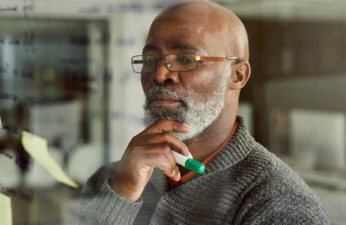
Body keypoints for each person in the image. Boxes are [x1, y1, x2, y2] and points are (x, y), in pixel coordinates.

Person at [78, 1, 329, 224]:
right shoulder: (110, 181)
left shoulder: (281, 205)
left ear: (237, 75)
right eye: (150, 59)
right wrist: (121, 194)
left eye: (187, 60)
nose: (160, 74)